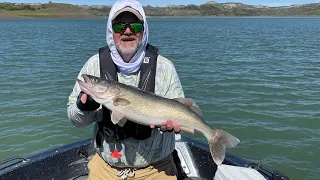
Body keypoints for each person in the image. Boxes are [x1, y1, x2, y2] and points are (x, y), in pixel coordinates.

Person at [67, 0, 185, 179]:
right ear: (110, 30)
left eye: (135, 26)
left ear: (143, 30)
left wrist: (175, 126)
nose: (128, 31)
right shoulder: (93, 66)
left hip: (157, 169)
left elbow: (180, 111)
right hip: (106, 169)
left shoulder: (165, 67)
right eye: (120, 26)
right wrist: (83, 109)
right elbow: (75, 119)